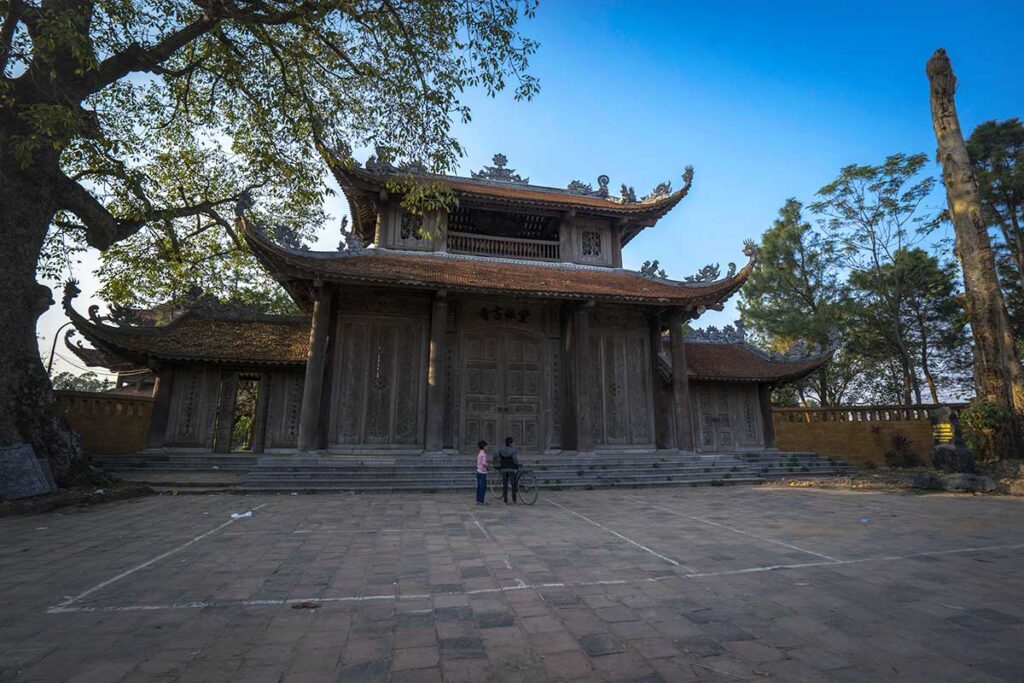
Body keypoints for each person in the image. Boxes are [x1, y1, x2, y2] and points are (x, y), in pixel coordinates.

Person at [497, 436, 520, 504]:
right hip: (511, 469)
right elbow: (515, 460)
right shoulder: (513, 451)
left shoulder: (501, 450)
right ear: (510, 443)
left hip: (504, 468)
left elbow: (499, 458)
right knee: (513, 484)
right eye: (513, 443)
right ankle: (514, 500)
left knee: (505, 484)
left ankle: (505, 500)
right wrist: (517, 465)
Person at [475, 440, 489, 505]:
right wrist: (487, 466)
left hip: (478, 471)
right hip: (482, 472)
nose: (487, 447)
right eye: (486, 446)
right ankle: (481, 500)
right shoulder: (483, 454)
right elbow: (484, 463)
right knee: (483, 487)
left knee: (479, 487)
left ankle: (478, 500)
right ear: (484, 447)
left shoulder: (479, 453)